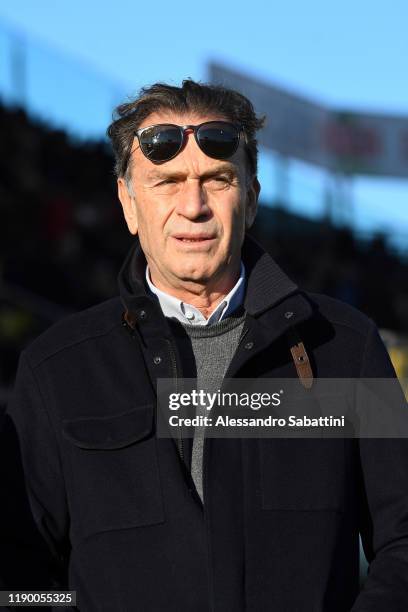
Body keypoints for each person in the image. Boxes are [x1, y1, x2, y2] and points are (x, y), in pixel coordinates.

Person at [1, 79, 408, 612]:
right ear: (127, 203)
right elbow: (18, 580)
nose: (193, 206)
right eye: (166, 182)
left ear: (253, 198)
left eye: (217, 179)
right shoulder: (57, 369)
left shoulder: (346, 348)